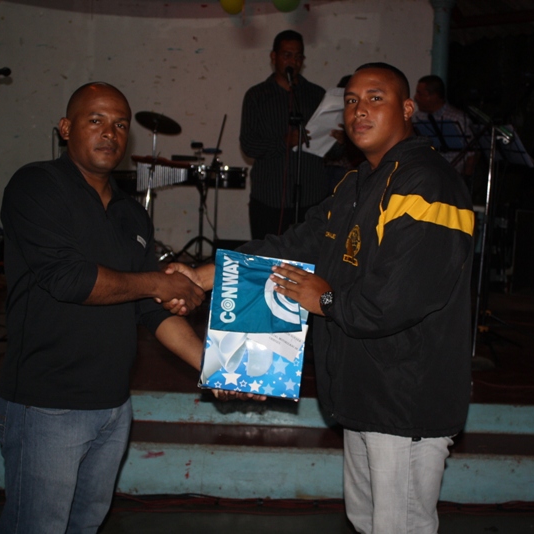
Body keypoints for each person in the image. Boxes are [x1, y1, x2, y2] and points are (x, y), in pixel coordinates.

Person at [172, 63, 474, 533]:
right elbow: (298, 244)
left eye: (375, 98)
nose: (359, 110)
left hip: (406, 398)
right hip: (365, 392)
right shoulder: (357, 184)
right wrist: (204, 274)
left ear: (407, 109)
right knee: (366, 519)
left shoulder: (427, 184)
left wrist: (326, 301)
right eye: (351, 100)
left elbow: (396, 298)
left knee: (399, 526)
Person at [0, 82, 218, 533]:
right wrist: (160, 281)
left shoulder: (131, 214)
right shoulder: (36, 185)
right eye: (95, 120)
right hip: (47, 405)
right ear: (65, 128)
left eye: (119, 125)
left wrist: (214, 366)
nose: (109, 133)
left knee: (85, 526)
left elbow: (151, 310)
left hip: (114, 408)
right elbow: (70, 279)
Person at [240, 29, 329, 239]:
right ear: (274, 57)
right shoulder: (257, 96)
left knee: (309, 256)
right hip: (270, 196)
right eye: (287, 55)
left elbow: (329, 150)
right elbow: (249, 145)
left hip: (311, 196)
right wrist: (285, 142)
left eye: (298, 57)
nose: (293, 62)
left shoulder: (317, 95)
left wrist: (339, 141)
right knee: (267, 255)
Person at [412, 74, 477, 182]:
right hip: (426, 178)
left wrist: (465, 180)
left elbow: (472, 155)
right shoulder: (418, 117)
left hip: (453, 179)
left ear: (434, 96)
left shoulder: (458, 118)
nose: (415, 97)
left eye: (420, 94)